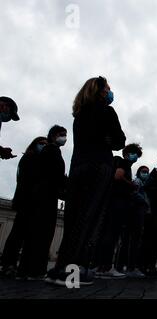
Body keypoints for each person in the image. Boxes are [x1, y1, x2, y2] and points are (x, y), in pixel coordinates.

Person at [46, 76, 126, 286]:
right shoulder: (107, 111)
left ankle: (59, 267)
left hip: (78, 166)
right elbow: (119, 141)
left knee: (73, 217)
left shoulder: (79, 115)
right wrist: (107, 140)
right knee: (90, 217)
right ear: (100, 91)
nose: (110, 91)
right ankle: (74, 271)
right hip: (99, 166)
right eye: (108, 88)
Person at [18, 125, 68, 280]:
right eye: (62, 134)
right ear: (53, 136)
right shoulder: (52, 151)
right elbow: (56, 174)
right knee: (43, 233)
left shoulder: (45, 152)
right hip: (46, 196)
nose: (64, 138)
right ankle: (36, 270)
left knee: (34, 233)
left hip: (40, 195)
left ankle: (25, 270)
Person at [0, 137, 47, 276]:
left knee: (20, 232)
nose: (43, 146)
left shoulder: (31, 158)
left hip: (27, 200)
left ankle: (11, 264)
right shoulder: (30, 158)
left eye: (45, 144)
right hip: (27, 200)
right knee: (18, 233)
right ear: (35, 145)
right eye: (41, 144)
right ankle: (9, 264)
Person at [95, 143, 143, 279]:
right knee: (112, 234)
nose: (136, 158)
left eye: (137, 156)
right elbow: (118, 176)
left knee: (107, 233)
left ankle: (100, 265)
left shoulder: (117, 162)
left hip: (112, 201)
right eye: (135, 154)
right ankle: (106, 267)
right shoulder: (124, 163)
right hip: (119, 202)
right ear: (127, 153)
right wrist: (132, 185)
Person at [117, 165, 151, 278]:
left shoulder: (142, 183)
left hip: (137, 213)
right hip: (136, 213)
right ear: (139, 172)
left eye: (147, 172)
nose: (146, 173)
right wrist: (145, 202)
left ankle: (124, 266)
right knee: (133, 240)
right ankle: (130, 266)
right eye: (144, 171)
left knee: (130, 240)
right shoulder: (137, 181)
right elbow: (134, 193)